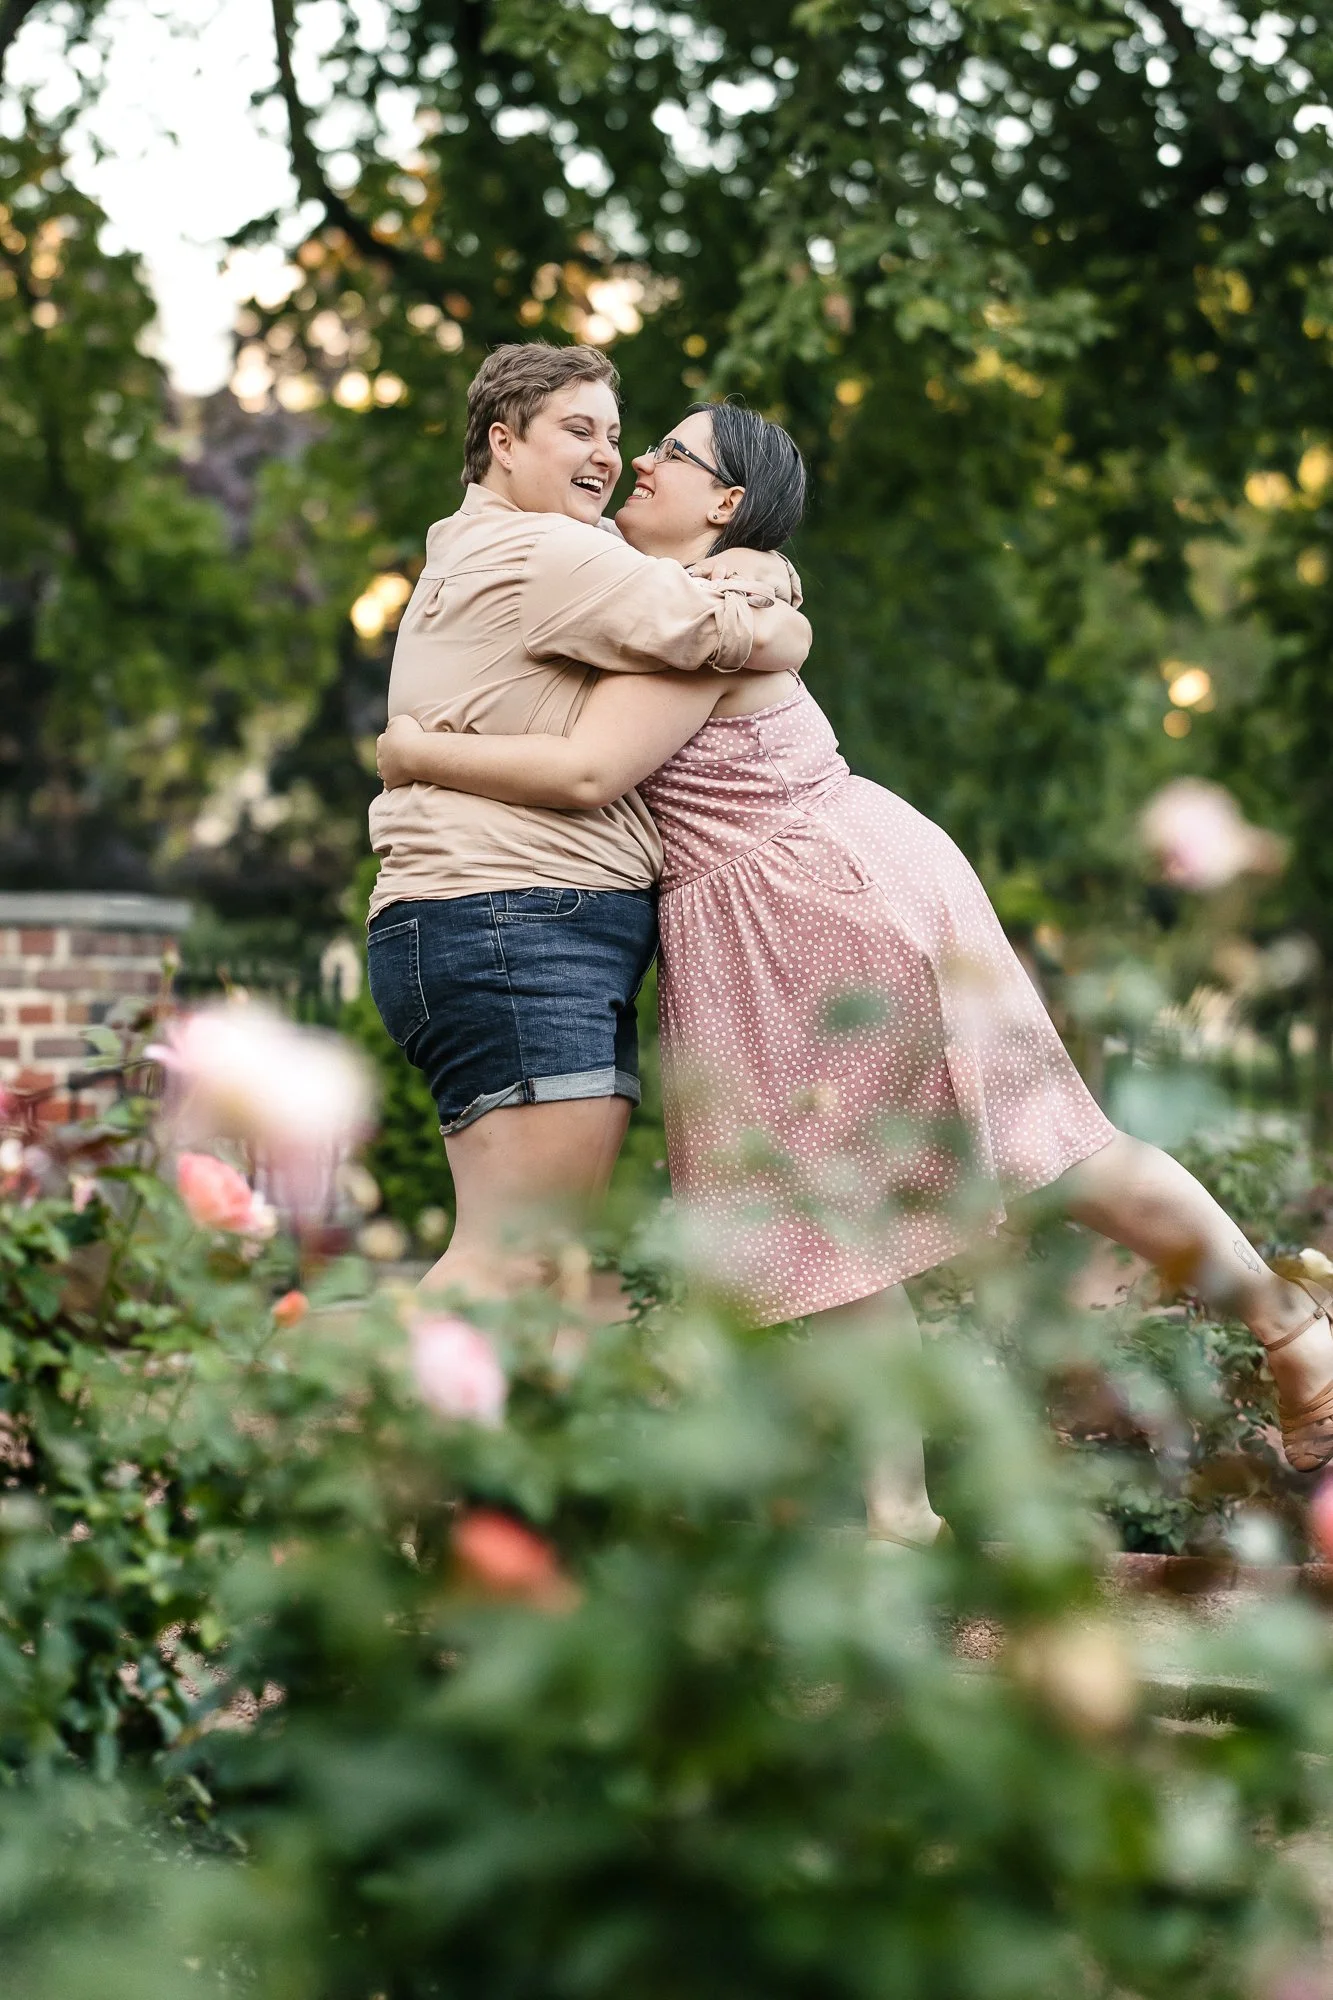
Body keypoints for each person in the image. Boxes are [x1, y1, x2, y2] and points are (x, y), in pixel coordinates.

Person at [377, 398, 1333, 1497]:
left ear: (725, 503)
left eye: (669, 454)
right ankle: (901, 1514)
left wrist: (417, 752)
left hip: (817, 892)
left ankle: (1284, 1323)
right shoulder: (678, 592)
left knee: (1036, 1148)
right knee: (826, 1219)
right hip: (769, 909)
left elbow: (593, 771)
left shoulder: (698, 614)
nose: (637, 460)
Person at [366, 343, 809, 1303]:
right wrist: (778, 596)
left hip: (507, 922)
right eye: (578, 429)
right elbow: (720, 632)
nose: (609, 456)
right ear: (502, 441)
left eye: (614, 434)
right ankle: (285, 1415)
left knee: (551, 1271)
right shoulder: (550, 552)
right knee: (518, 1261)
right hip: (513, 921)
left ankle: (478, 1451)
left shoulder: (481, 547)